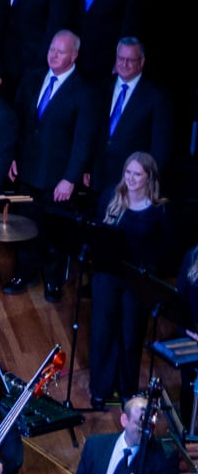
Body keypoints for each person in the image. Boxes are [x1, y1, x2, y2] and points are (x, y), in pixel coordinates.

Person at [86, 151, 172, 405]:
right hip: (107, 276)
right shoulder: (111, 198)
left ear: (148, 178)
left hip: (136, 282)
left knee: (130, 337)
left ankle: (127, 392)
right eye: (128, 173)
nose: (131, 179)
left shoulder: (158, 210)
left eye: (137, 174)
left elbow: (166, 248)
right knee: (102, 333)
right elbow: (97, 234)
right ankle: (99, 390)